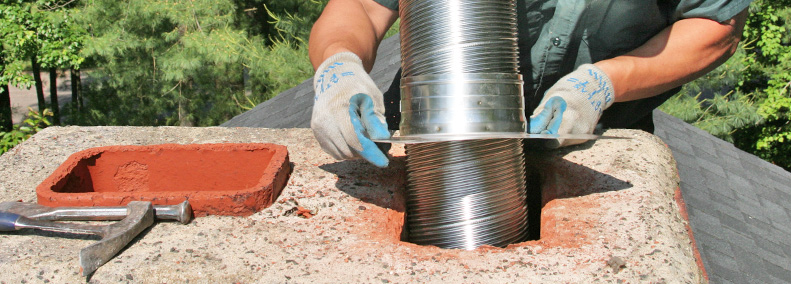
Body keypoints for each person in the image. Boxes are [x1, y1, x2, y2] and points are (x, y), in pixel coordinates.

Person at [308, 0, 751, 167]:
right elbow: (364, 8)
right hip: (433, 138)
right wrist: (338, 67)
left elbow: (717, 25)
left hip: (592, 142)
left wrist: (605, 82)